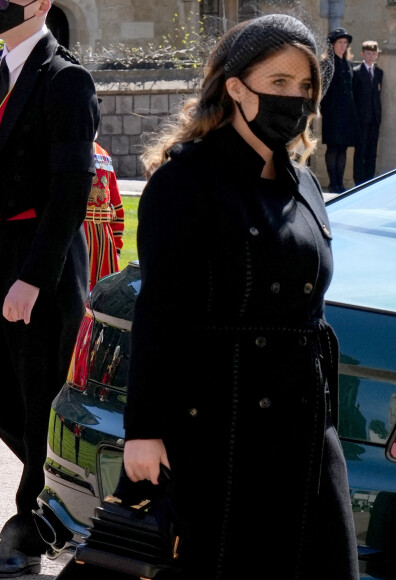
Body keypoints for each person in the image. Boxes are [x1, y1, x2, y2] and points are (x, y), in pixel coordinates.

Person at [121, 13, 358, 580]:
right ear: (235, 87)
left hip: (305, 431)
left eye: (304, 88)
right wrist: (144, 430)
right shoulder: (185, 182)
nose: (294, 100)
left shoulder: (305, 182)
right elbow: (159, 313)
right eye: (278, 84)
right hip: (219, 426)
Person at [0, 0, 100, 576]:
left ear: (39, 3)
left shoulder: (66, 79)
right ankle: (48, 498)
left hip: (38, 264)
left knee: (38, 397)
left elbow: (70, 187)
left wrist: (33, 278)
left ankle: (31, 527)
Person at [320, 27, 358, 193]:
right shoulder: (326, 64)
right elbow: (322, 88)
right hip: (332, 112)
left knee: (343, 148)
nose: (343, 45)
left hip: (347, 112)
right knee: (333, 147)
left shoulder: (349, 64)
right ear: (332, 45)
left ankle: (340, 184)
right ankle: (332, 183)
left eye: (345, 43)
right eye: (340, 42)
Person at [84, 140, 124, 290]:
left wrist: (117, 246)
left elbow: (117, 206)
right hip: (78, 232)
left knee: (104, 290)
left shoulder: (103, 154)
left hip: (104, 238)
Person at [352, 40, 383, 186]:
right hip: (361, 119)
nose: (371, 57)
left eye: (373, 54)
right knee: (360, 152)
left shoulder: (379, 73)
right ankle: (359, 181)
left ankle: (370, 180)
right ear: (362, 54)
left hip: (375, 118)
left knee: (372, 151)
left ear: (377, 55)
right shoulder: (356, 72)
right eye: (368, 53)